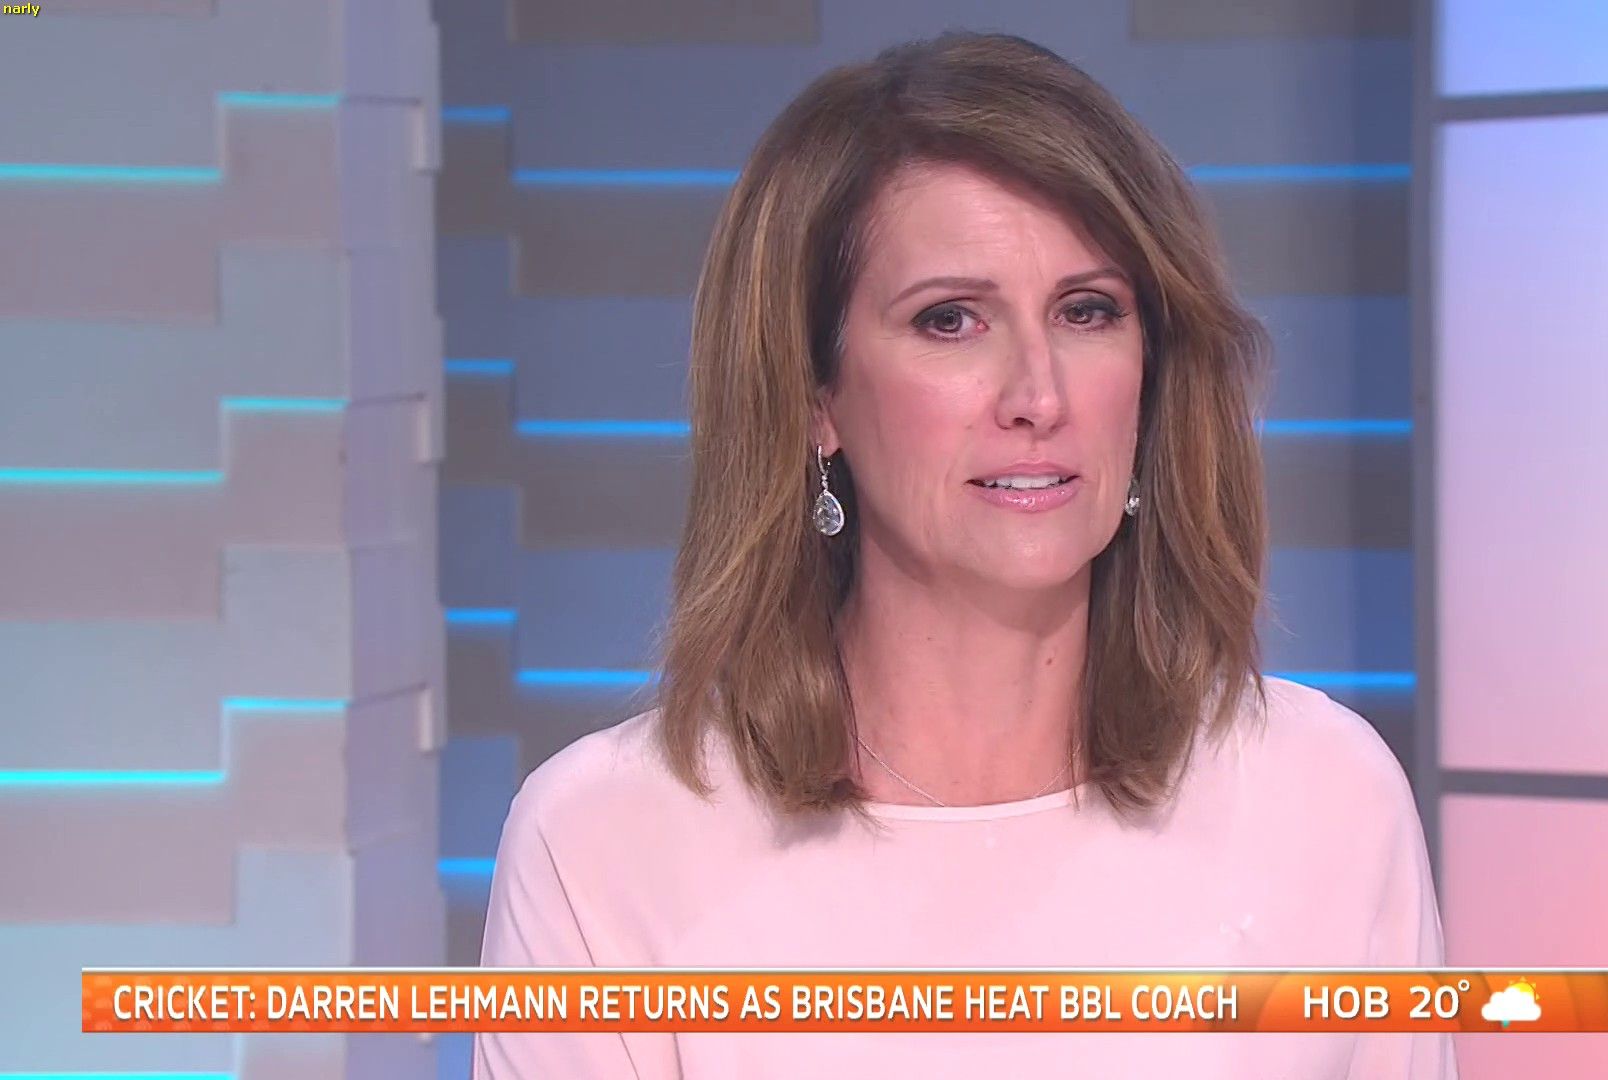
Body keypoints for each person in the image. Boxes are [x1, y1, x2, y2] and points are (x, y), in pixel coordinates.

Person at [474, 30, 1454, 1079]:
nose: (1039, 395)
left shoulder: (1324, 797)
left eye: (1087, 311)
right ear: (814, 398)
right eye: (950, 320)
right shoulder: (605, 844)